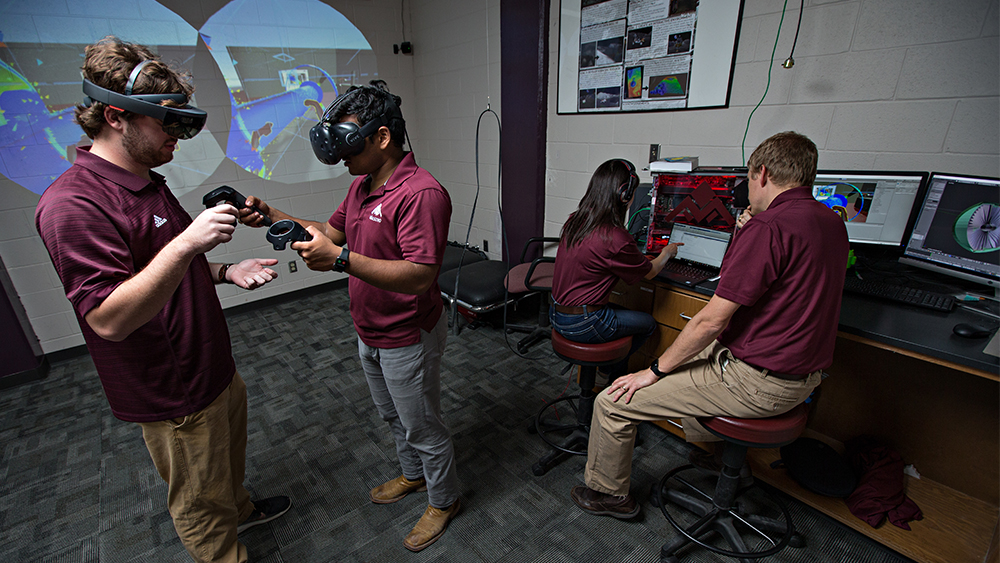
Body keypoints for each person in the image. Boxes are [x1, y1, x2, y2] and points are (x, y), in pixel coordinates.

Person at [35, 37, 290, 563]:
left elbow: (163, 269)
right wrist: (190, 241)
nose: (178, 137)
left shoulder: (146, 182)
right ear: (116, 116)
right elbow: (107, 318)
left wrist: (222, 268)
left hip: (211, 365)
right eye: (166, 124)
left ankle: (241, 508)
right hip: (172, 392)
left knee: (225, 469)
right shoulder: (71, 205)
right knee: (199, 500)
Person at [570, 131, 849, 519]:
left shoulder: (768, 228)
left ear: (762, 174)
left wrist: (651, 372)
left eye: (749, 180)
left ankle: (611, 495)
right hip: (804, 378)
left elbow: (711, 320)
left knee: (613, 401)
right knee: (693, 355)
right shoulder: (832, 222)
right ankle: (721, 457)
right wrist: (744, 231)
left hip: (757, 382)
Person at [239, 81, 460, 552]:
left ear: (382, 138)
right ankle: (413, 476)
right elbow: (329, 231)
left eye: (349, 143)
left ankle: (443, 500)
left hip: (407, 333)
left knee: (423, 424)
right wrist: (269, 212)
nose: (342, 157)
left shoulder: (422, 194)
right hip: (370, 327)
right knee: (393, 417)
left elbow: (421, 275)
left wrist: (340, 260)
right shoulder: (362, 184)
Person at [550, 159, 681, 383]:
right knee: (648, 324)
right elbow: (650, 272)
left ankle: (605, 372)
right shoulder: (615, 237)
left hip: (557, 314)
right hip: (584, 322)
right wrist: (667, 253)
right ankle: (613, 378)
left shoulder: (575, 221)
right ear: (624, 195)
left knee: (624, 313)